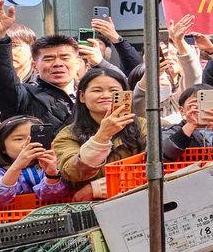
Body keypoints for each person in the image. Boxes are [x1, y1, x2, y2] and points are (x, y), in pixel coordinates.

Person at [0, 0, 80, 140]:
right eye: (48, 59)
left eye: (65, 58)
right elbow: (1, 81)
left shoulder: (92, 94)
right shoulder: (24, 96)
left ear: (78, 63)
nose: (58, 64)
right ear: (35, 66)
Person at [53, 66, 144, 198]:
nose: (106, 95)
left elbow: (157, 164)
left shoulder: (142, 125)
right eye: (97, 90)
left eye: (114, 90)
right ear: (82, 96)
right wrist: (102, 136)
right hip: (89, 207)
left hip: (137, 198)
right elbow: (71, 172)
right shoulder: (67, 134)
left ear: (126, 95)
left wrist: (98, 187)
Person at [0, 115, 69, 208]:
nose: (27, 144)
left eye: (33, 138)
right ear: (2, 146)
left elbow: (53, 196)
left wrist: (52, 174)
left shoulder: (47, 166)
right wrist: (17, 166)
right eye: (19, 139)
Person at [161, 84, 213, 160]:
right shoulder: (173, 131)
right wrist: (190, 125)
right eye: (195, 102)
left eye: (205, 103)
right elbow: (159, 155)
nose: (199, 106)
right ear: (182, 110)